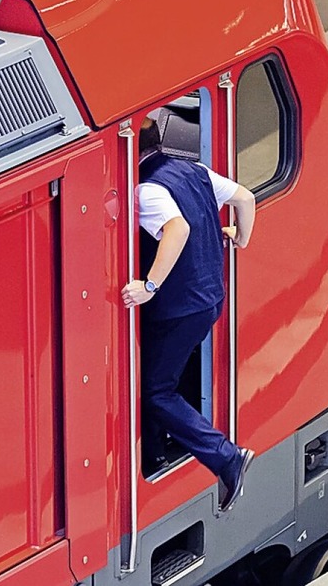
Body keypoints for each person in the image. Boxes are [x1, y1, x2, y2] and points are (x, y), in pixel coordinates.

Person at [121, 116, 256, 512]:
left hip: (179, 308)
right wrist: (240, 238)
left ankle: (226, 457)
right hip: (212, 297)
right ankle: (161, 449)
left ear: (130, 149)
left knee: (155, 390)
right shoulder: (192, 169)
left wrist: (148, 287)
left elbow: (176, 229)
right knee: (165, 376)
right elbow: (245, 199)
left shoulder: (146, 190)